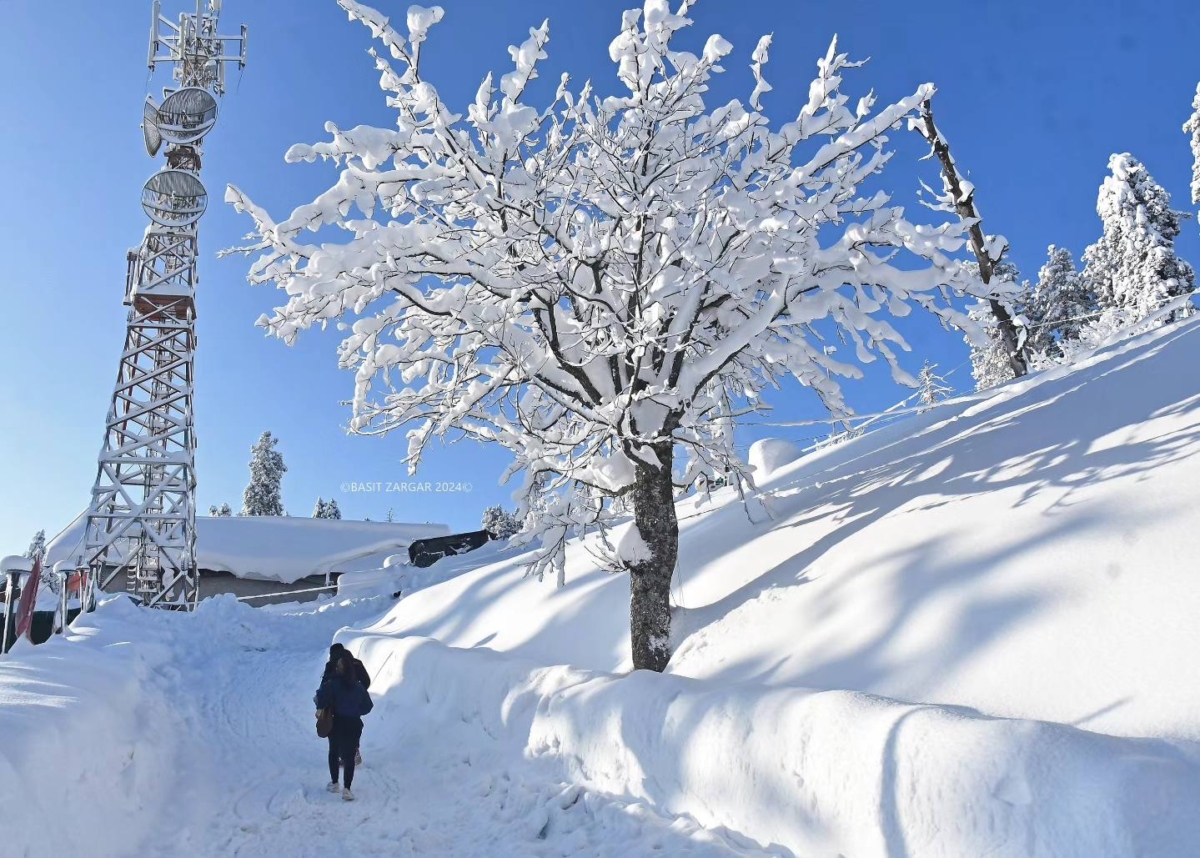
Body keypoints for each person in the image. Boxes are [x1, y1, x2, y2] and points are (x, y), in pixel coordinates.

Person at [315, 653, 374, 801]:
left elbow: (320, 699)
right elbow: (368, 706)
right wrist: (355, 711)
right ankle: (347, 788)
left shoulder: (332, 684)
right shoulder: (359, 687)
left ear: (338, 669)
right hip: (353, 724)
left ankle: (335, 783)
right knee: (349, 756)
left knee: (333, 752)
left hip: (336, 722)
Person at [322, 643, 371, 765]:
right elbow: (366, 681)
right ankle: (354, 751)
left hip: (336, 703)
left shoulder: (332, 664)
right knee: (354, 725)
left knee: (338, 728)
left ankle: (342, 755)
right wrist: (359, 692)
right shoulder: (356, 663)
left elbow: (324, 685)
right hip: (354, 702)